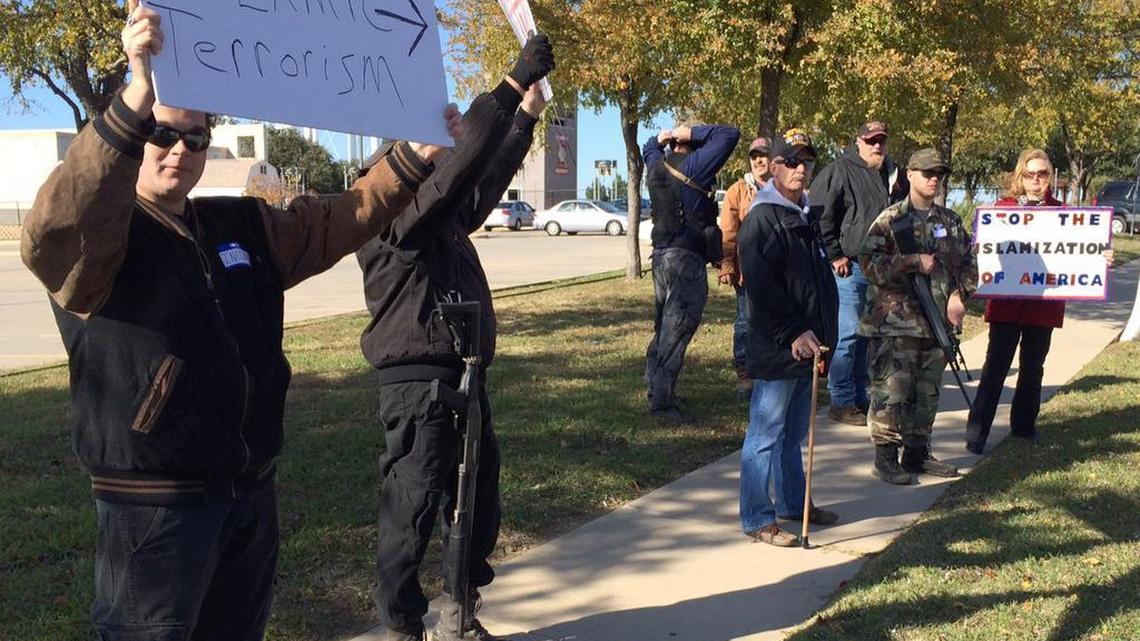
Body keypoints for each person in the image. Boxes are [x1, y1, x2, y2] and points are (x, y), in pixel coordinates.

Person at [19, 4, 456, 640]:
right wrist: (138, 91)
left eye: (195, 138)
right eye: (160, 133)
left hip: (249, 495)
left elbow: (336, 219)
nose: (177, 151)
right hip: (154, 514)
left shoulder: (237, 224)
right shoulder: (101, 240)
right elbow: (51, 233)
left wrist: (411, 160)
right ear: (132, 132)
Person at [356, 36, 554, 641]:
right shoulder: (384, 206)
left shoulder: (440, 214)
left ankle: (461, 612)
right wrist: (508, 87)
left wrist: (522, 120)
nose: (442, 149)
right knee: (412, 509)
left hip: (465, 374)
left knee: (475, 502)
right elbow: (453, 173)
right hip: (418, 383)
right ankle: (402, 625)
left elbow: (479, 182)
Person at [964, 149, 1112, 454]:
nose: (1036, 180)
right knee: (995, 367)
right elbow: (982, 247)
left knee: (1033, 369)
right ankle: (977, 432)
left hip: (1043, 306)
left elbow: (1082, 250)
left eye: (1042, 174)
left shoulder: (1066, 215)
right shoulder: (1002, 210)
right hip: (1007, 304)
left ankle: (1024, 428)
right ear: (1020, 176)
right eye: (1030, 174)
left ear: (1051, 176)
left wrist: (1101, 258)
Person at [738, 129, 839, 546]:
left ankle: (795, 505)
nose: (801, 169)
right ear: (773, 166)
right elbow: (761, 292)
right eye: (792, 162)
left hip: (810, 346)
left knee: (794, 436)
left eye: (806, 162)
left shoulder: (803, 215)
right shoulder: (762, 219)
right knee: (765, 436)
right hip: (781, 347)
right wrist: (793, 332)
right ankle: (758, 517)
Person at [860, 149, 977, 484]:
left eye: (938, 172)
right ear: (909, 174)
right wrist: (910, 262)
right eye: (926, 172)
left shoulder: (950, 222)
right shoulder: (891, 220)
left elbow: (968, 264)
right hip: (896, 322)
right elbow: (869, 265)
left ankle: (916, 453)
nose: (933, 178)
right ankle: (885, 457)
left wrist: (958, 295)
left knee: (926, 392)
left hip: (936, 322)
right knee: (891, 390)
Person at [810, 120, 909, 426]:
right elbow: (821, 215)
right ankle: (840, 399)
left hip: (879, 267)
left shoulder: (892, 174)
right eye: (871, 140)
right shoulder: (840, 170)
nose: (877, 145)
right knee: (848, 334)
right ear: (858, 142)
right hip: (850, 267)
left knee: (865, 334)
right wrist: (835, 254)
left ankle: (856, 395)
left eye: (882, 140)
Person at [643, 122, 741, 420]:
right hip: (686, 258)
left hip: (660, 257)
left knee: (663, 327)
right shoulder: (696, 165)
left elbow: (648, 147)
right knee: (678, 328)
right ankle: (662, 402)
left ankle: (657, 387)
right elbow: (729, 134)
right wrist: (693, 132)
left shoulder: (656, 164)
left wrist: (660, 138)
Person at [719, 137, 771, 399]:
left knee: (771, 320)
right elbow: (729, 232)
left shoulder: (781, 187)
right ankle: (744, 371)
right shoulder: (737, 191)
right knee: (745, 321)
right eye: (754, 156)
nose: (760, 160)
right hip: (748, 270)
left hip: (776, 269)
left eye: (764, 155)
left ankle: (767, 369)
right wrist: (728, 264)